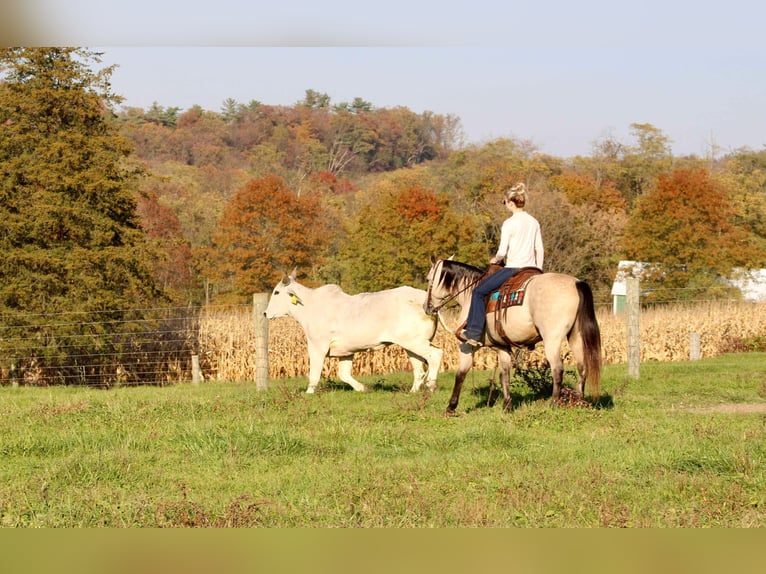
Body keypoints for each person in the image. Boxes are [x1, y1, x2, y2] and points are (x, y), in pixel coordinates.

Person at [460, 182, 544, 347]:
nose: (505, 205)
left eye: (505, 202)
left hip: (513, 268)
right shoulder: (533, 222)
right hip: (532, 269)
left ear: (511, 203)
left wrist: (495, 260)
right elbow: (539, 248)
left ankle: (474, 333)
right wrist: (539, 270)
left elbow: (502, 252)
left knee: (478, 292)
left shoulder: (509, 223)